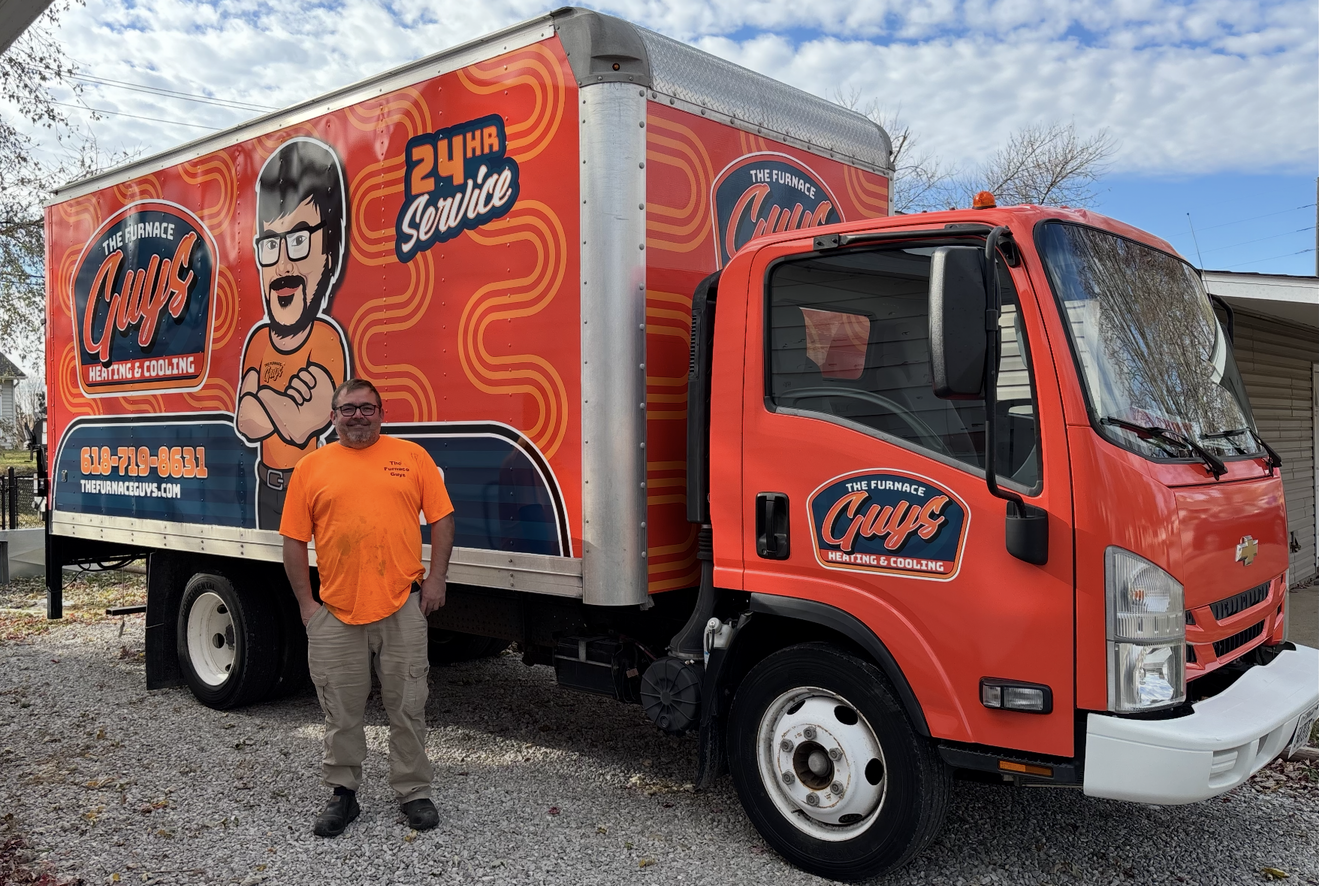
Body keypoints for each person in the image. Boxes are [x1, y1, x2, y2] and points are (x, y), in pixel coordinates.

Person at [280, 378, 455, 837]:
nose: (358, 416)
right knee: (341, 710)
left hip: (402, 605)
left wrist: (436, 579)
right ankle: (343, 793)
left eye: (367, 408)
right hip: (336, 610)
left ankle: (414, 792)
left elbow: (442, 518)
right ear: (333, 416)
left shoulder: (411, 457)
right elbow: (293, 540)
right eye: (348, 408)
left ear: (381, 413)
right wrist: (307, 605)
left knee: (409, 706)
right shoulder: (311, 468)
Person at [237, 137, 351, 530]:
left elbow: (305, 422)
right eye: (271, 245)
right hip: (265, 490)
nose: (283, 265)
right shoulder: (258, 341)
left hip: (312, 487)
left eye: (299, 241)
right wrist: (283, 400)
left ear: (330, 254)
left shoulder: (325, 339)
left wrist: (263, 396)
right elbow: (246, 421)